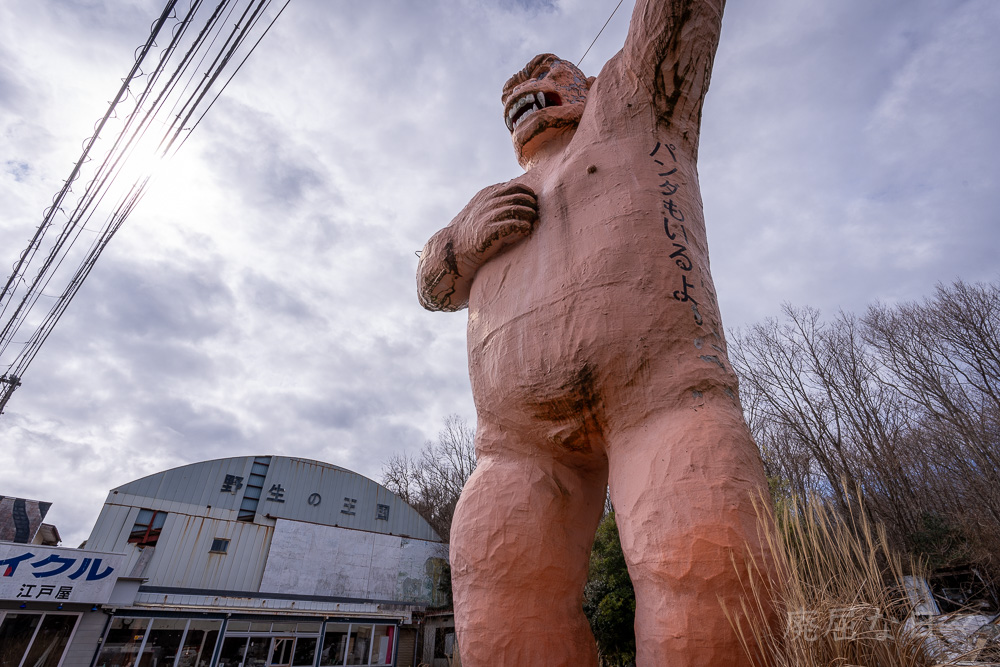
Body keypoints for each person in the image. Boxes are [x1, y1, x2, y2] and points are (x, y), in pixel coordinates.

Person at [417, 1, 772, 664]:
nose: (521, 83)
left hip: (664, 394)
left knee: (703, 563)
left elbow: (674, 22)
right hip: (515, 447)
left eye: (546, 71)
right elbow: (430, 289)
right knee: (499, 592)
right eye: (511, 91)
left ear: (582, 87)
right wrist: (457, 246)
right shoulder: (485, 200)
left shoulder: (634, 104)